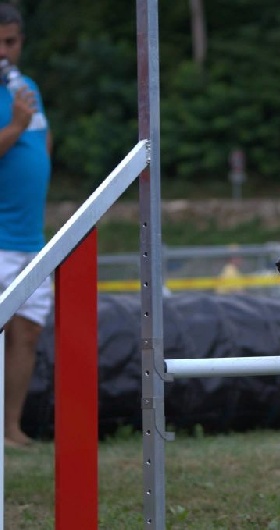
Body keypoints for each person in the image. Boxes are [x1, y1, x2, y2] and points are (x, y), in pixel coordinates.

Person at [0, 3, 52, 449]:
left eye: (10, 41)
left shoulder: (27, 88)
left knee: (27, 331)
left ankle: (10, 428)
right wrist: (15, 126)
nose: (4, 51)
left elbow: (42, 146)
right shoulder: (18, 105)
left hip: (30, 239)